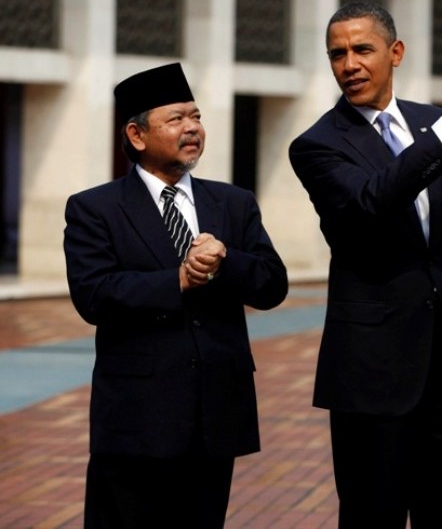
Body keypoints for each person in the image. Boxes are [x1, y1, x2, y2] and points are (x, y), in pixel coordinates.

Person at [288, 1, 442, 529]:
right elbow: (372, 202)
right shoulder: (317, 146)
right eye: (337, 54)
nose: (350, 64)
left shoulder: (430, 124)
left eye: (362, 50)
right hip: (372, 376)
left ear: (395, 53)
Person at [63, 62, 289, 529]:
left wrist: (227, 262)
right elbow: (94, 295)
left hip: (215, 415)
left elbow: (272, 283)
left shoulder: (233, 203)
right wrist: (179, 281)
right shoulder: (95, 209)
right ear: (137, 135)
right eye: (176, 119)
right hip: (137, 419)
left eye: (197, 117)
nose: (192, 129)